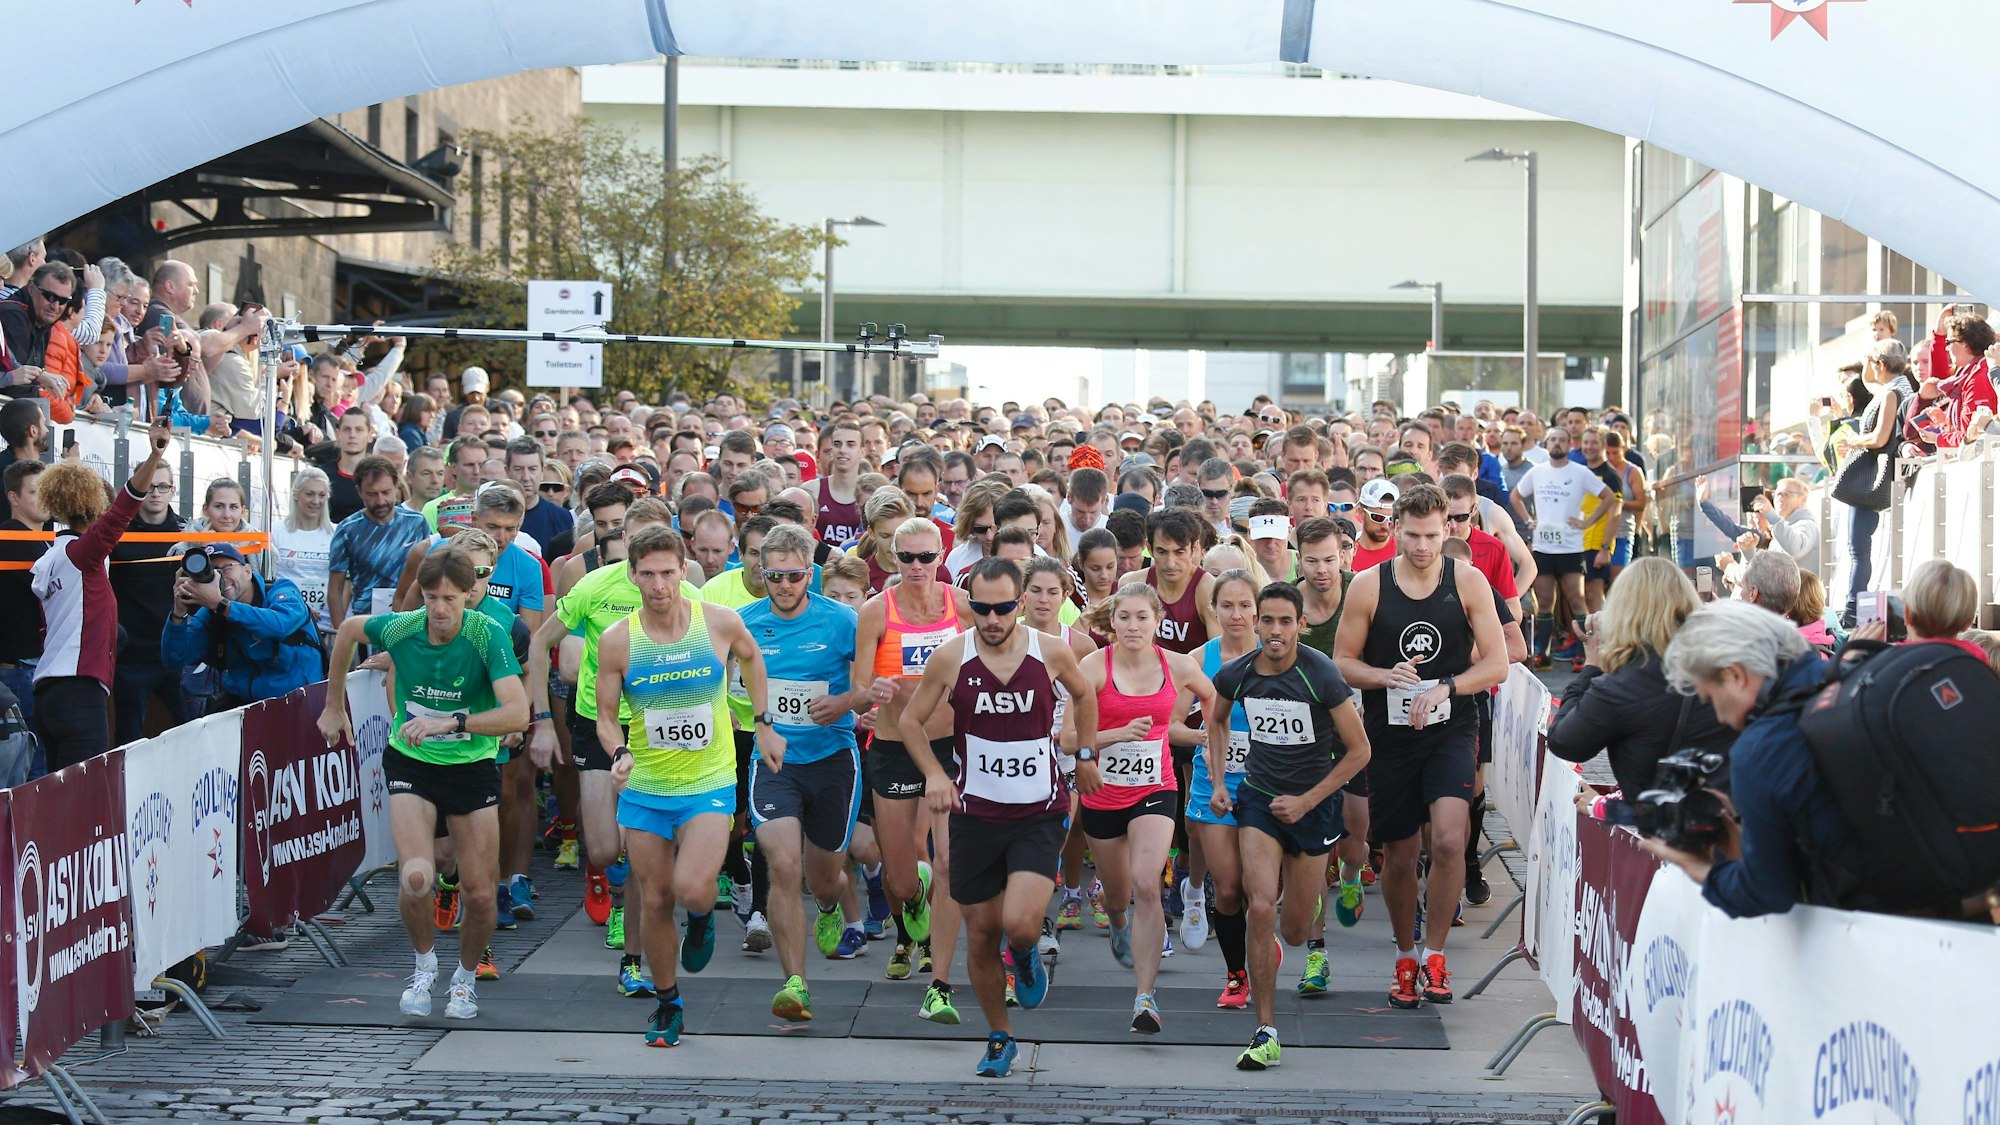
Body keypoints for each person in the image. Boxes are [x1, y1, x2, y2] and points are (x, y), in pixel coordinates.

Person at [896, 557, 1098, 1078]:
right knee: (982, 934)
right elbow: (911, 721)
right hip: (974, 814)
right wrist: (935, 777)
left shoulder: (1051, 651)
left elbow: (1085, 692)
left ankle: (1027, 953)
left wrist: (1086, 755)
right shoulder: (950, 657)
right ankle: (998, 1037)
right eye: (982, 608)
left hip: (1038, 811)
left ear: (1021, 603)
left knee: (1018, 924)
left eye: (1003, 607)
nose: (992, 618)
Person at [593, 526, 781, 1046]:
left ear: (684, 571)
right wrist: (619, 752)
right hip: (647, 786)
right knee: (654, 899)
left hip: (708, 781)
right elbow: (606, 717)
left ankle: (701, 920)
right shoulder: (618, 640)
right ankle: (668, 1003)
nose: (658, 585)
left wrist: (762, 722)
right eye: (647, 574)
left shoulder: (717, 622)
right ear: (632, 575)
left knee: (693, 888)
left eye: (668, 573)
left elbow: (752, 657)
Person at [1335, 482, 1507, 1010]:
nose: (1422, 547)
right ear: (1396, 531)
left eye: (1433, 535)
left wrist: (1445, 688)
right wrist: (1384, 675)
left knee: (1451, 841)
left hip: (1451, 725)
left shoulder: (1469, 580)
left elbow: (1497, 663)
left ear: (1447, 530)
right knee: (1402, 854)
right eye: (1411, 535)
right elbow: (1342, 661)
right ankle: (1405, 955)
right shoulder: (1369, 585)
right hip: (1389, 733)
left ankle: (1436, 955)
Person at [1209, 581, 1370, 1072]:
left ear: (1302, 625)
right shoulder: (1237, 674)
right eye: (1267, 620)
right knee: (1259, 906)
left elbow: (1360, 750)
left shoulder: (1320, 674)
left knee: (1296, 931)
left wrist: (1307, 801)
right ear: (1255, 623)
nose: (1275, 631)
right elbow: (1215, 721)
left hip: (1314, 806)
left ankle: (1312, 900)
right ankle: (1266, 1030)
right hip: (1258, 799)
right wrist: (1219, 781)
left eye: (1285, 621)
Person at [525, 497, 679, 995]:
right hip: (597, 720)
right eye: (636, 542)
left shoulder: (686, 592)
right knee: (606, 845)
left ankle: (633, 958)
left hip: (656, 726)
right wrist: (544, 719)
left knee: (639, 846)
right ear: (622, 548)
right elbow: (538, 642)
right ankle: (615, 896)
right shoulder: (593, 585)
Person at [1073, 582, 1217, 1034]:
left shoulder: (1177, 665)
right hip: (1102, 790)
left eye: (1142, 617)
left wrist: (1213, 741)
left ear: (1157, 622)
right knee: (1119, 894)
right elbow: (1064, 739)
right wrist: (1112, 738)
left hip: (1156, 788)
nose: (1133, 626)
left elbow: (1214, 697)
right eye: (1124, 617)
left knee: (1147, 884)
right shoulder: (1094, 668)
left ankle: (1145, 998)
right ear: (1111, 622)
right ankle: (1115, 917)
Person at [743, 524, 868, 1022]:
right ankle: (795, 983)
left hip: (834, 759)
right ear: (762, 573)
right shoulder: (744, 622)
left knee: (823, 877)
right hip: (775, 762)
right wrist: (754, 721)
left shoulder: (842, 621)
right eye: (775, 575)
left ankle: (832, 906)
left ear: (810, 573)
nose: (785, 585)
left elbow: (870, 683)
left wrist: (843, 702)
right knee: (784, 866)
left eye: (795, 575)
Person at [1644, 601, 1839, 919]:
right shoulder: (1839, 681)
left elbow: (1767, 891)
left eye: (1711, 698)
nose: (1720, 717)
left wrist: (1701, 870)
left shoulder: (1760, 748)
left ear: (1735, 674)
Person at [851, 515, 972, 1021]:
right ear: (891, 559)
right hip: (895, 748)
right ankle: (912, 898)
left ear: (942, 557)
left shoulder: (960, 606)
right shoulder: (876, 612)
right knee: (900, 881)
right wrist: (870, 695)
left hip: (949, 748)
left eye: (927, 557)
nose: (918, 567)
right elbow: (858, 689)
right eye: (907, 558)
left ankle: (941, 979)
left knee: (947, 861)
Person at [31, 416, 173, 768]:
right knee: (85, 802)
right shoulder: (84, 555)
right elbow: (125, 507)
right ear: (96, 510)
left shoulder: (49, 559)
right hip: (79, 691)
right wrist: (154, 456)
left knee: (61, 803)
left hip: (47, 693)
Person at [1547, 558, 1736, 803]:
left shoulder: (1623, 685)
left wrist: (1593, 663)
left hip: (1665, 826)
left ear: (1622, 612)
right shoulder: (1724, 664)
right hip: (1732, 817)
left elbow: (1565, 742)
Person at [1183, 569, 1260, 1008]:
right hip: (1215, 786)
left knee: (1260, 888)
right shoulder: (1199, 659)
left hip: (1266, 786)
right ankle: (1236, 975)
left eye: (1245, 605)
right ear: (1214, 609)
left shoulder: (1280, 655)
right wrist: (1208, 738)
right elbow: (1173, 723)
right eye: (1227, 605)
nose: (1236, 615)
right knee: (1229, 888)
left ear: (1258, 609)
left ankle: (1263, 939)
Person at [163, 543, 321, 710]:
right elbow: (175, 658)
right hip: (244, 704)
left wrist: (221, 605)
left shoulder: (280, 590)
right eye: (213, 571)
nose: (221, 577)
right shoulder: (212, 611)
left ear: (247, 571)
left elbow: (279, 625)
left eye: (226, 568)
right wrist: (179, 611)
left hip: (297, 700)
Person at [1510, 427, 1615, 670]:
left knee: (1577, 599)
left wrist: (1588, 522)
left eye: (1562, 440)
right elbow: (1516, 496)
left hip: (1570, 546)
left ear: (1569, 445)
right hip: (1544, 547)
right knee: (1545, 600)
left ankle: (1584, 653)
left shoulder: (1580, 472)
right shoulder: (1538, 472)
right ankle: (1543, 654)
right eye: (1553, 440)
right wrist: (1528, 521)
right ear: (1547, 444)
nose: (1557, 444)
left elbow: (1609, 497)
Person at [109, 458, 187, 745]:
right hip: (132, 657)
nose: (155, 493)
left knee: (196, 732)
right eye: (149, 486)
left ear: (173, 490)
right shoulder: (117, 534)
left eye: (162, 486)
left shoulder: (188, 534)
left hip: (178, 654)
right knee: (128, 741)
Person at [327, 456, 431, 627]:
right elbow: (335, 589)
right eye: (372, 494)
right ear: (359, 491)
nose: (381, 501)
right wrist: (341, 633)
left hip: (410, 622)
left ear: (397, 486)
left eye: (386, 492)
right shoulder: (347, 530)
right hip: (366, 625)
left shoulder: (417, 523)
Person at [273, 466, 336, 638]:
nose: (316, 501)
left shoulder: (337, 533)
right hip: (287, 623)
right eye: (310, 494)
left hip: (326, 627)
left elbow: (343, 583)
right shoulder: (276, 532)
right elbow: (269, 581)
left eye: (322, 495)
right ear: (295, 494)